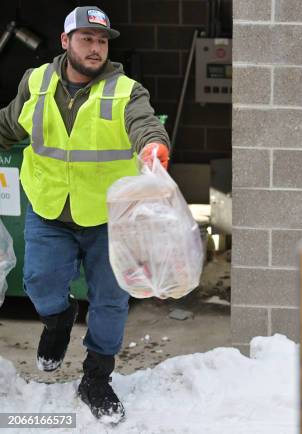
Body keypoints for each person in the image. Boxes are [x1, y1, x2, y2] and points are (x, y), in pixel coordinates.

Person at [0, 6, 170, 423]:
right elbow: (8, 125)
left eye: (102, 41)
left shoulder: (127, 91)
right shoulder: (35, 83)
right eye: (87, 39)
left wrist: (153, 147)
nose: (96, 48)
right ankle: (57, 323)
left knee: (111, 301)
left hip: (110, 218)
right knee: (40, 282)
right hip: (49, 210)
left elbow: (144, 124)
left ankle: (97, 378)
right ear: (66, 42)